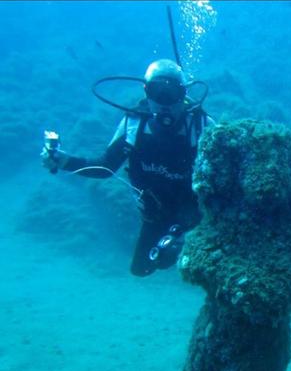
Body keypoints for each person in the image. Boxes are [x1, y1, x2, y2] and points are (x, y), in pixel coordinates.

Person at [41, 59, 214, 277]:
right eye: (156, 92)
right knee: (141, 269)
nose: (164, 103)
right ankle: (176, 247)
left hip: (193, 212)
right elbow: (105, 167)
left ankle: (186, 243)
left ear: (183, 95)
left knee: (195, 264)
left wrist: (192, 225)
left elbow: (221, 179)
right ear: (146, 92)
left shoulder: (200, 126)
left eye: (172, 94)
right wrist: (65, 161)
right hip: (155, 213)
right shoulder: (134, 124)